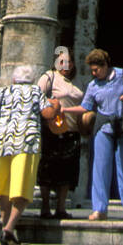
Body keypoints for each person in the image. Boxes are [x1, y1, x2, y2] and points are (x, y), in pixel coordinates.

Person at [73, 48, 123, 221]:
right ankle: (99, 209)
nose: (93, 72)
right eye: (91, 69)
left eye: (96, 69)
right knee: (100, 168)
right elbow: (85, 107)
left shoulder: (122, 75)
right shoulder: (92, 85)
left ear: (105, 65)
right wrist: (64, 109)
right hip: (103, 128)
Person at [0, 64, 51, 245]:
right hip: (26, 142)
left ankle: (3, 224)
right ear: (32, 80)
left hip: (2, 142)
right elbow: (47, 113)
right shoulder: (36, 92)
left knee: (4, 187)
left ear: (14, 79)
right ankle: (9, 227)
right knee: (23, 186)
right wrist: (56, 106)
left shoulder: (4, 91)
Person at [37, 45, 86, 219]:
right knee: (48, 169)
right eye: (62, 62)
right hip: (52, 129)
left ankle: (60, 207)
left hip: (72, 130)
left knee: (68, 171)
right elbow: (37, 98)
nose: (66, 65)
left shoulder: (78, 82)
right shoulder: (49, 77)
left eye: (69, 62)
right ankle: (44, 207)